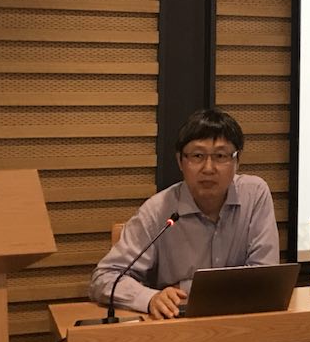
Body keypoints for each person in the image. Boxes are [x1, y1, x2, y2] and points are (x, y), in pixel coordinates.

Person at [89, 108, 279, 319]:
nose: (209, 168)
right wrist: (150, 298)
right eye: (197, 156)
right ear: (180, 161)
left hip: (241, 322)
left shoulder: (254, 195)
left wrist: (185, 287)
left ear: (237, 160)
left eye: (220, 156)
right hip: (175, 324)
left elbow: (265, 277)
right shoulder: (157, 211)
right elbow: (105, 278)